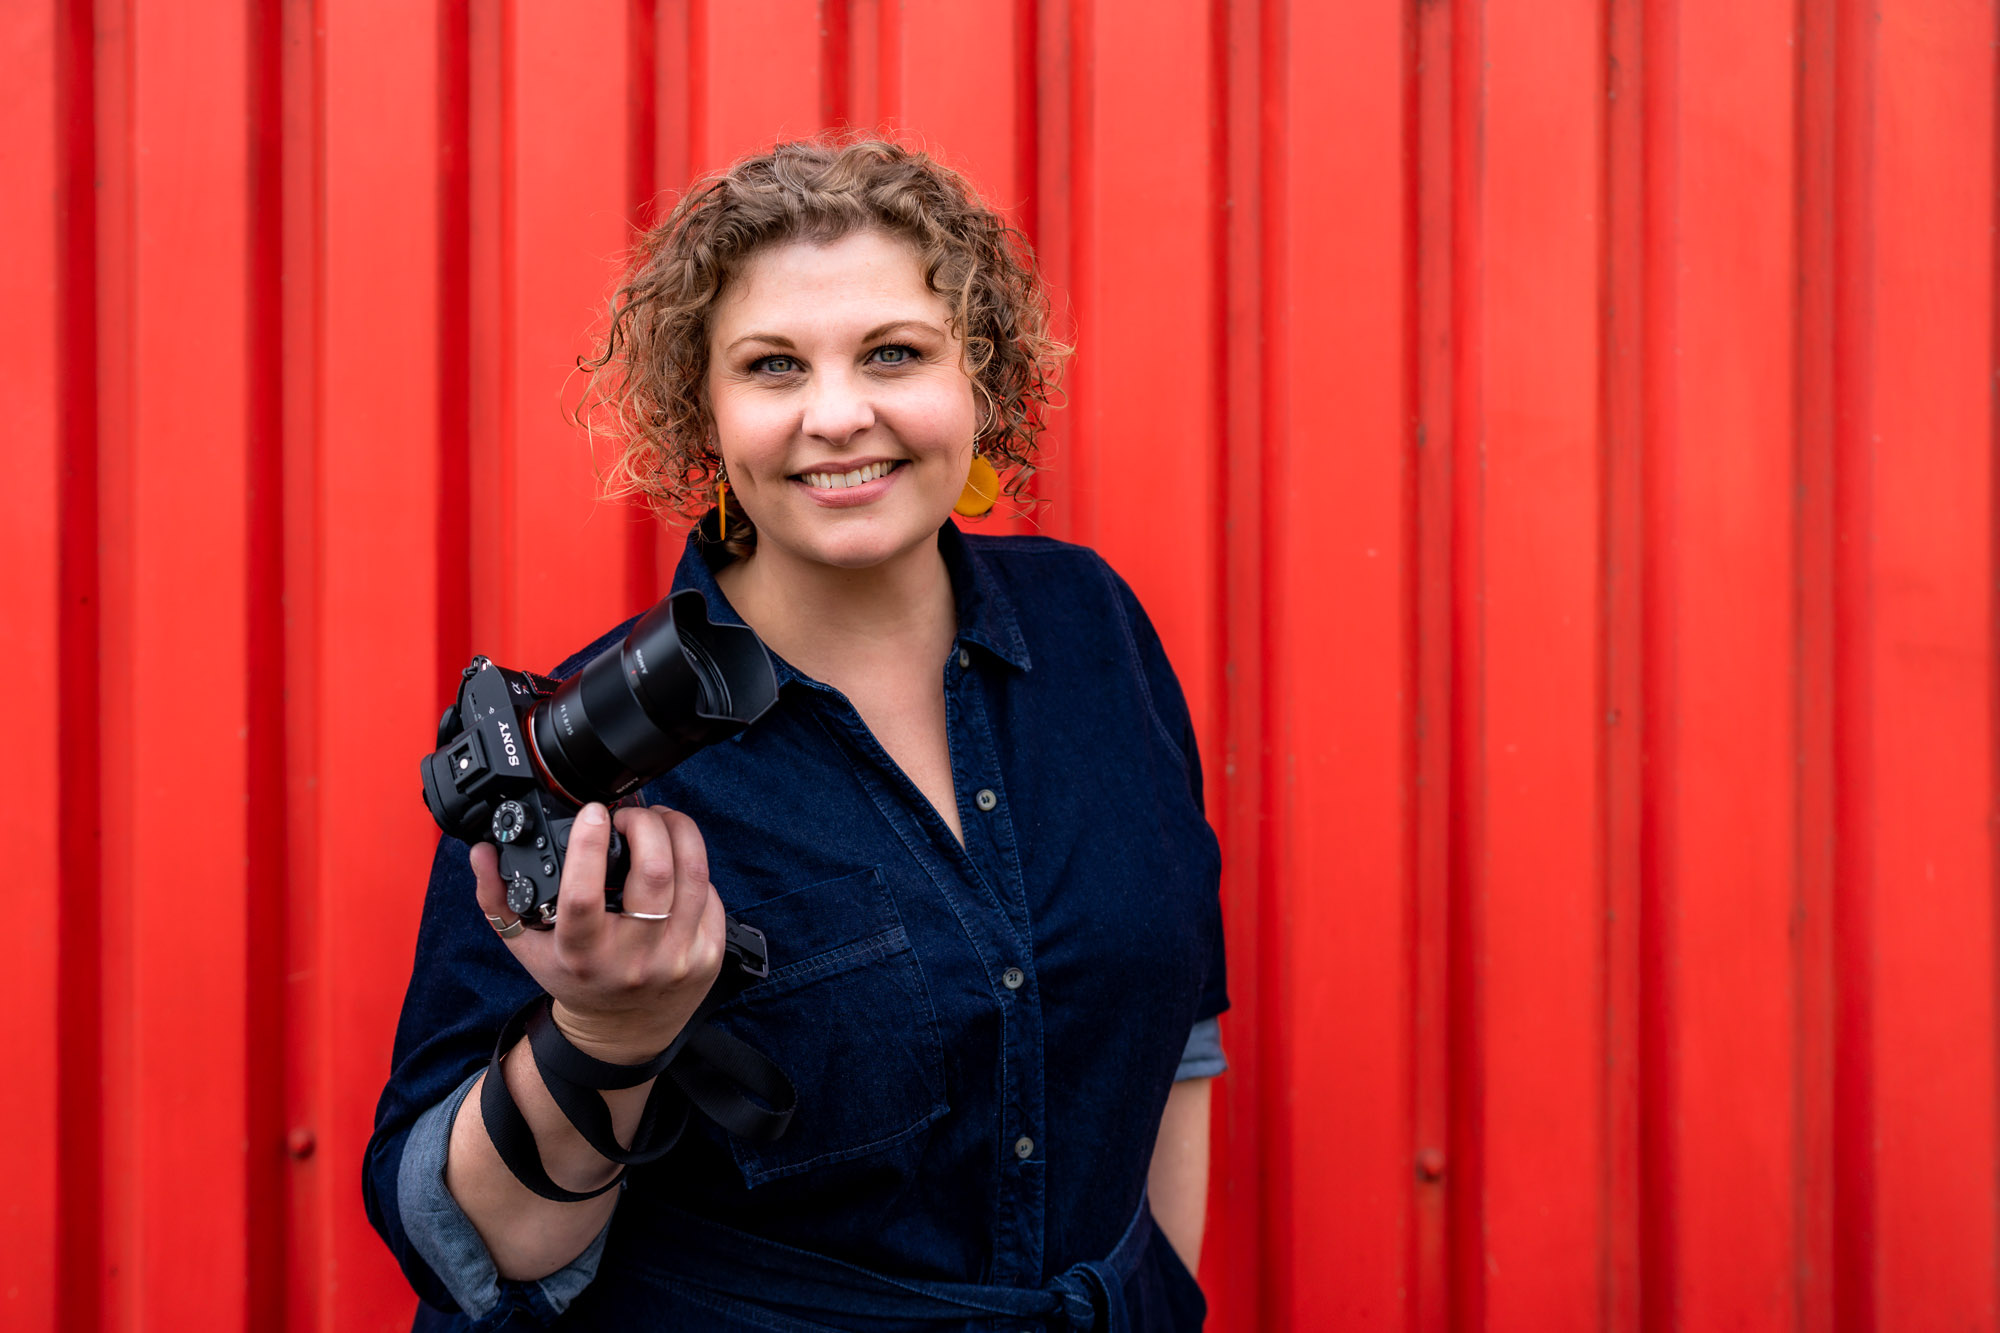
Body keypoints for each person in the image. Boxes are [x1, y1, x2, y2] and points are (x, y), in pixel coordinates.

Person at [365, 137, 1229, 1332]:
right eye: (772, 367)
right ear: (703, 415)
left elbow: (1174, 1033)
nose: (838, 414)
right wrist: (606, 1035)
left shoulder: (1093, 626)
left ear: (977, 377)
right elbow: (475, 1246)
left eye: (893, 353)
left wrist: (1155, 1293)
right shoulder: (582, 755)